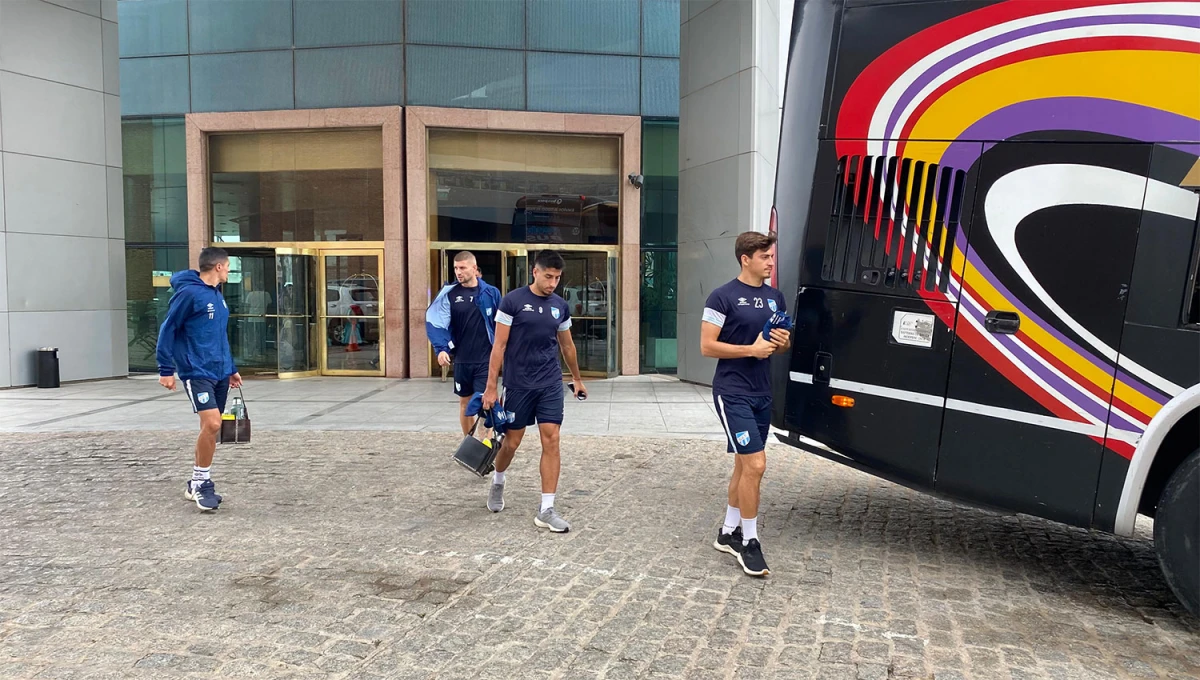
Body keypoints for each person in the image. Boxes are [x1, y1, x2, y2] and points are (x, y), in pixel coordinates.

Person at [701, 231, 791, 576]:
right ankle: (749, 542)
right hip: (732, 390)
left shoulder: (774, 297)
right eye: (765, 257)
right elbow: (707, 347)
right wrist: (750, 350)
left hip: (761, 391)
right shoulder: (722, 297)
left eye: (771, 256)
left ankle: (726, 533)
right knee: (755, 466)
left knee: (743, 465)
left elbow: (779, 346)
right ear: (746, 259)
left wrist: (780, 342)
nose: (771, 262)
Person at [482, 250, 587, 532]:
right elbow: (499, 346)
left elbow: (566, 346)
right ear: (535, 272)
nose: (553, 283)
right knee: (512, 443)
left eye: (557, 278)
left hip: (550, 382)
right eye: (548, 276)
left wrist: (576, 379)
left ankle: (547, 508)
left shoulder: (560, 306)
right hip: (518, 384)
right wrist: (491, 387)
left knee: (551, 440)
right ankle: (498, 481)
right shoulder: (513, 301)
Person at [156, 247, 243, 512]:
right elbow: (168, 329)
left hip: (219, 371)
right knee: (213, 424)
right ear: (218, 267)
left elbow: (219, 335)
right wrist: (165, 369)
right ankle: (201, 483)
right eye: (228, 266)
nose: (229, 270)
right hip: (196, 371)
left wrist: (231, 367)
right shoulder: (189, 293)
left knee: (209, 429)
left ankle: (197, 480)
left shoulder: (218, 296)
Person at [425, 251, 503, 435]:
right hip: (462, 359)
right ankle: (469, 443)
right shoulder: (449, 295)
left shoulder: (491, 293)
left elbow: (501, 325)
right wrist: (441, 350)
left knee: (486, 403)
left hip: (486, 359)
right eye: (456, 268)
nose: (458, 272)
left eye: (462, 268)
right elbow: (438, 324)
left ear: (474, 269)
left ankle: (484, 447)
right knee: (465, 404)